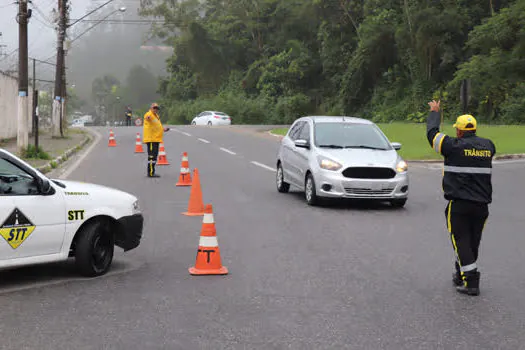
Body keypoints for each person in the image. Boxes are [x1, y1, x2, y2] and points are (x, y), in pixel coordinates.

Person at [426, 100, 496, 296]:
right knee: (473, 242)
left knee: (461, 241)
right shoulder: (488, 146)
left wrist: (435, 113)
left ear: (458, 131)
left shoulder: (452, 146)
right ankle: (461, 274)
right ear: (474, 129)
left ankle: (471, 282)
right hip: (482, 206)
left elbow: (432, 134)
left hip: (460, 205)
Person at [143, 103, 169, 178]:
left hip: (156, 139)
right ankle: (150, 172)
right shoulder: (149, 114)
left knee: (154, 156)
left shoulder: (156, 116)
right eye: (154, 108)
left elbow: (157, 126)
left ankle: (152, 171)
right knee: (151, 156)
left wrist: (164, 129)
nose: (155, 109)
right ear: (151, 108)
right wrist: (148, 117)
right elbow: (147, 117)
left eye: (157, 108)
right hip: (151, 139)